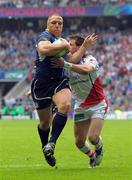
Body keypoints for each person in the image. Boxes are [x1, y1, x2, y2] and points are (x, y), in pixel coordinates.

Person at [31, 14, 97, 167]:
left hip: (59, 81)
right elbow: (43, 49)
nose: (57, 25)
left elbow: (71, 60)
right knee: (45, 123)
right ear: (48, 25)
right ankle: (44, 147)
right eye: (54, 22)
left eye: (60, 23)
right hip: (41, 84)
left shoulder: (61, 41)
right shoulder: (44, 36)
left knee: (65, 105)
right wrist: (64, 45)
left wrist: (84, 47)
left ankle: (51, 144)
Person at [52, 34, 108, 168]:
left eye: (70, 44)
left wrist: (66, 64)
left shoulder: (90, 59)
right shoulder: (66, 63)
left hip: (98, 104)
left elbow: (86, 70)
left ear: (79, 47)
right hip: (81, 106)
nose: (67, 46)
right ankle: (92, 156)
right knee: (79, 142)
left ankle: (99, 148)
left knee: (93, 138)